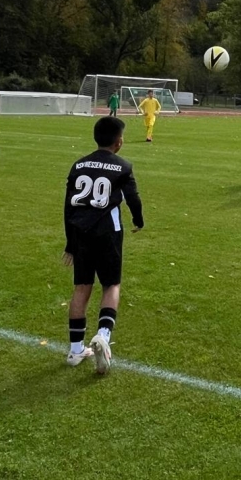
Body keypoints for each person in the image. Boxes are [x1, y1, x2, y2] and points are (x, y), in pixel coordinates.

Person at [63, 115, 144, 372]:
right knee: (111, 284)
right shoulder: (123, 166)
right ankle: (103, 336)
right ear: (119, 142)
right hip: (108, 232)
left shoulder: (78, 165)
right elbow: (133, 198)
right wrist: (139, 220)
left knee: (81, 287)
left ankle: (76, 349)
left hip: (80, 232)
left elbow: (68, 206)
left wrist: (70, 243)